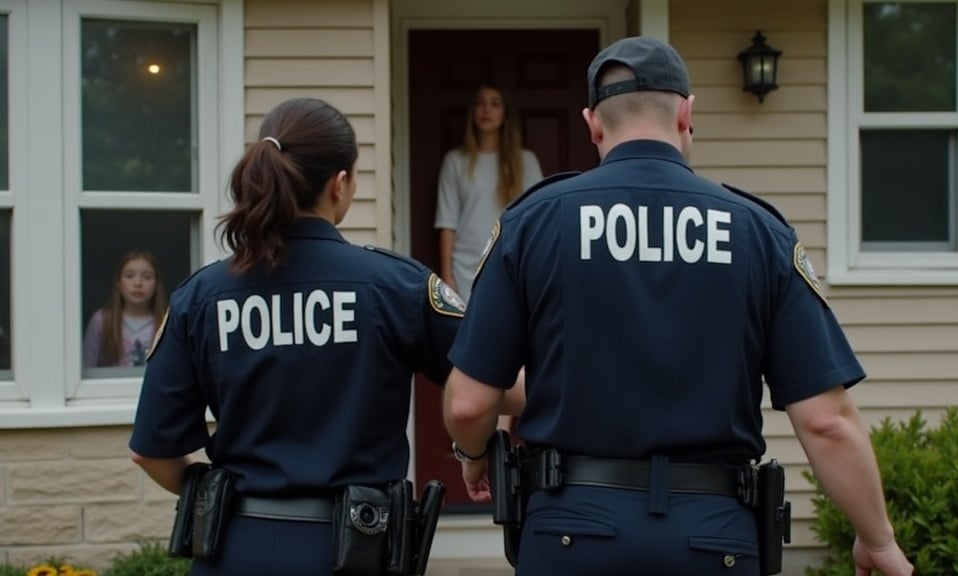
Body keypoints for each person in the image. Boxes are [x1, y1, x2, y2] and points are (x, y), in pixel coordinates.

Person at [442, 37, 914, 576]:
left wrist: (474, 456)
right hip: (715, 537)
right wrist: (876, 539)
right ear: (687, 112)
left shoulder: (532, 224)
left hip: (571, 530)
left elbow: (466, 406)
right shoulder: (759, 232)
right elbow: (828, 421)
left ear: (593, 123)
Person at [129, 97, 499, 576]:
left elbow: (150, 451)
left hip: (233, 548)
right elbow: (491, 381)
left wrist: (221, 496)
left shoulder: (199, 297)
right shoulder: (396, 287)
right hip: (353, 554)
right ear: (340, 184)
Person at [434, 84, 544, 302]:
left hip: (511, 263)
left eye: (494, 104)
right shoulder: (455, 162)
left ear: (505, 115)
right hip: (464, 268)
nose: (486, 110)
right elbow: (447, 222)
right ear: (472, 113)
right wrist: (447, 276)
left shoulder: (526, 162)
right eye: (480, 103)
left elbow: (538, 217)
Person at [83, 250, 167, 368]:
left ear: (156, 283)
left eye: (147, 277)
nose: (138, 283)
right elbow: (87, 368)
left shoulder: (167, 322)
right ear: (118, 282)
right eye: (129, 276)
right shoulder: (101, 321)